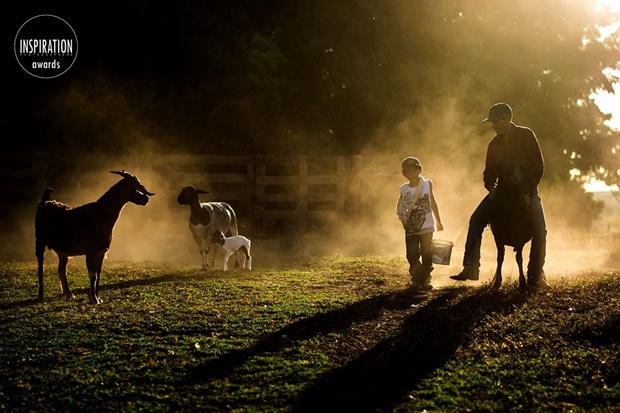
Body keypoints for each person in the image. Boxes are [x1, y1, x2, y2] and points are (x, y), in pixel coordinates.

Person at [450, 103, 548, 287]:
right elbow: (488, 173)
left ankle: (535, 274)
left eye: (496, 122)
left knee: (540, 228)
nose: (493, 126)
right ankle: (471, 267)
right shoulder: (493, 145)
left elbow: (538, 166)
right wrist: (491, 188)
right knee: (476, 219)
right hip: (502, 191)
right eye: (492, 123)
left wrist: (526, 188)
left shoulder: (526, 135)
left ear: (508, 119)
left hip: (526, 190)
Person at [396, 156, 444, 291]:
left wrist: (438, 221)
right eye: (408, 171)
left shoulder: (427, 184)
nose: (412, 174)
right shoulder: (404, 189)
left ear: (420, 170)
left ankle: (425, 279)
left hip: (427, 226)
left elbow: (432, 202)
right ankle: (416, 278)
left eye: (414, 170)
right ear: (404, 174)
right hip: (411, 227)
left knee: (427, 252)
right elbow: (401, 208)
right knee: (411, 254)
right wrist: (405, 222)